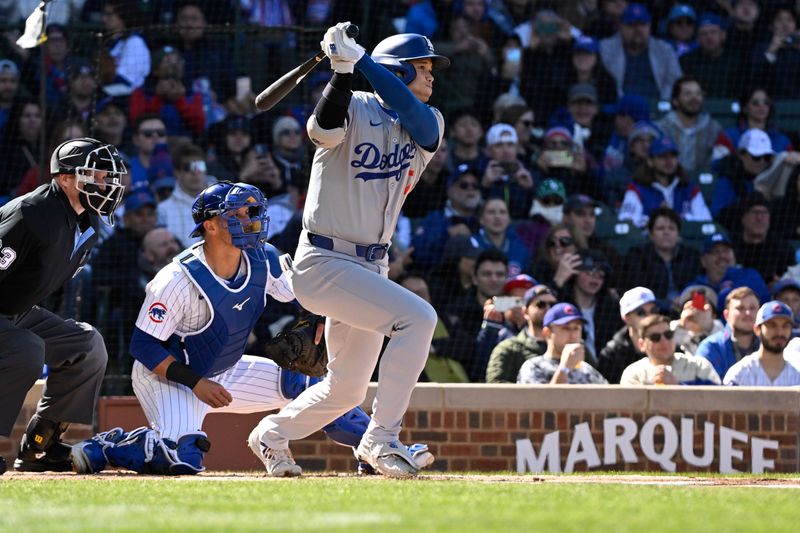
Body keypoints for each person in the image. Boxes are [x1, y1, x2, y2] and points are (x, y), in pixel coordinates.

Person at [70, 181, 430, 477]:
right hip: (169, 376)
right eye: (237, 215)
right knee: (183, 458)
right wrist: (196, 383)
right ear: (210, 225)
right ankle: (110, 447)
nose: (249, 221)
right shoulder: (177, 279)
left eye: (251, 212)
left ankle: (375, 447)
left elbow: (308, 291)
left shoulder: (264, 257)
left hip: (225, 369)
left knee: (311, 386)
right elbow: (144, 347)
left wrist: (322, 316)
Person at [249, 28, 450, 478]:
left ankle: (272, 434)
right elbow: (321, 129)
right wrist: (342, 72)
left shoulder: (430, 119)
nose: (431, 75)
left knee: (346, 391)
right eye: (422, 67)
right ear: (397, 68)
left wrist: (358, 60)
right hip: (323, 260)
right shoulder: (353, 105)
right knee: (418, 318)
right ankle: (381, 439)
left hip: (370, 266)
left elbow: (417, 123)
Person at [0, 137, 126, 476]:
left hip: (16, 311)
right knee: (24, 347)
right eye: (96, 176)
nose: (106, 184)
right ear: (65, 178)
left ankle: (40, 445)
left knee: (87, 345)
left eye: (108, 177)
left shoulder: (86, 223)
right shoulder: (31, 213)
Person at [618, 136, 711, 229]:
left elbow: (706, 221)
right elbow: (626, 222)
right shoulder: (637, 189)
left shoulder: (689, 188)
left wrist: (676, 218)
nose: (669, 161)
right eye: (662, 156)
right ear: (650, 161)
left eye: (673, 156)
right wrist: (656, 219)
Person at [599, 3, 682, 101]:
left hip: (658, 108)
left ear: (649, 26)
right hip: (621, 108)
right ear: (621, 27)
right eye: (632, 25)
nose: (638, 29)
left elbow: (676, 82)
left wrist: (664, 103)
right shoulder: (606, 48)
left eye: (642, 24)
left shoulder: (664, 49)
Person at [621, 207, 701, 302]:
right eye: (660, 228)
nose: (666, 232)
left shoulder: (691, 255)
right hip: (651, 310)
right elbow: (638, 291)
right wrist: (666, 304)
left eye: (671, 228)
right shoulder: (637, 256)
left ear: (678, 234)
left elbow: (697, 286)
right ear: (651, 234)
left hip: (687, 306)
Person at [517, 302, 608, 385]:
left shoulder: (586, 369)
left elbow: (610, 399)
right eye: (566, 328)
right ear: (547, 333)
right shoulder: (534, 366)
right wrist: (565, 368)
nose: (573, 335)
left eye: (576, 328)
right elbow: (543, 402)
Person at [620, 314, 720, 385]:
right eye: (655, 337)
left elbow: (717, 398)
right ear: (642, 344)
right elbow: (630, 409)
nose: (664, 341)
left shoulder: (698, 365)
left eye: (668, 335)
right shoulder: (634, 373)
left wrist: (678, 386)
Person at [486, 284, 556, 383]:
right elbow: (496, 385)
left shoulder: (568, 346)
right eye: (541, 304)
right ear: (526, 311)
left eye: (552, 305)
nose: (548, 309)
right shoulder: (508, 348)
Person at [655, 76, 722, 175]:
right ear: (675, 101)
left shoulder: (713, 128)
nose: (694, 98)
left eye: (698, 94)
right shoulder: (661, 127)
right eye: (688, 94)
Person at [724, 301, 800, 386]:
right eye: (772, 325)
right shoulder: (740, 373)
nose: (779, 332)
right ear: (757, 329)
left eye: (785, 326)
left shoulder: (797, 375)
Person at [695, 286, 761, 380]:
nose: (748, 313)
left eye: (752, 308)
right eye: (740, 308)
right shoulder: (711, 348)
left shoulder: (770, 346)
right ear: (726, 315)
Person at [597, 286, 659, 384]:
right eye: (641, 312)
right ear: (626, 318)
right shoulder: (610, 354)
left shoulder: (667, 342)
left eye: (654, 311)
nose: (649, 317)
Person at [679, 13, 738, 99]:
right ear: (697, 39)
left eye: (713, 32)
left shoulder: (735, 60)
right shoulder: (686, 61)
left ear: (723, 35)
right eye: (704, 33)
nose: (709, 37)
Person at [671, 284, 724, 357]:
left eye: (701, 308)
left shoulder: (718, 327)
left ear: (713, 315)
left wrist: (708, 326)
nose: (697, 312)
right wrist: (682, 324)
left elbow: (723, 343)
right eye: (692, 306)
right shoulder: (673, 327)